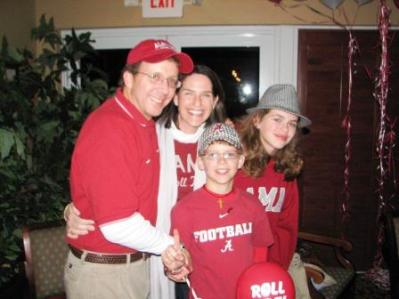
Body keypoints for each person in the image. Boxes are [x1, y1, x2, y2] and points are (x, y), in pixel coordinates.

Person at [64, 64, 227, 299]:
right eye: (189, 93)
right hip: (156, 252)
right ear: (176, 98)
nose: (197, 103)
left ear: (215, 101)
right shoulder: (150, 134)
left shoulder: (224, 143)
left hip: (207, 252)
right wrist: (74, 208)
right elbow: (107, 181)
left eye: (205, 95)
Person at [170, 123, 274, 299]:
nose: (222, 161)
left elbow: (260, 253)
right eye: (212, 154)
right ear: (201, 162)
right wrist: (175, 266)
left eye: (229, 154)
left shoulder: (254, 205)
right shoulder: (183, 210)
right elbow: (180, 260)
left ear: (240, 161)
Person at [233, 84, 312, 298]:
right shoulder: (233, 162)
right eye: (277, 119)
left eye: (292, 123)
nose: (285, 130)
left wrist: (274, 270)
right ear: (257, 120)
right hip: (233, 266)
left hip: (274, 268)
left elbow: (287, 227)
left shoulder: (287, 169)